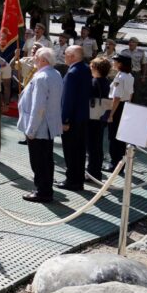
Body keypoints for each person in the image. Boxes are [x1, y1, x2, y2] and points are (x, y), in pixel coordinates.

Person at [17, 47, 63, 203]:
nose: (33, 58)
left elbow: (39, 106)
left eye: (36, 56)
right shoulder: (55, 74)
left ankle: (42, 191)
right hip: (48, 126)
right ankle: (45, 189)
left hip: (40, 127)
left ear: (44, 60)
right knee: (46, 160)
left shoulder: (41, 77)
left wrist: (31, 130)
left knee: (38, 161)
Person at [58, 45, 91, 191]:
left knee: (71, 151)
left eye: (66, 54)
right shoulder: (85, 68)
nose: (64, 56)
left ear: (72, 56)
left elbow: (68, 100)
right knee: (79, 151)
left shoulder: (72, 73)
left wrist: (64, 120)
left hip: (72, 119)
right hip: (82, 117)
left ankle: (72, 180)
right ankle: (78, 179)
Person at [105, 54, 134, 172]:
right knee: (121, 136)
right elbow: (131, 93)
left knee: (114, 137)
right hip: (125, 106)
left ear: (121, 64)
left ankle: (114, 164)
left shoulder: (120, 77)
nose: (113, 63)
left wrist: (111, 114)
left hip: (117, 107)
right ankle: (120, 163)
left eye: (115, 61)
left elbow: (116, 98)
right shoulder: (129, 76)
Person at [87, 57, 112, 181]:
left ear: (96, 68)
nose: (90, 68)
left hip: (93, 117)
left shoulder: (94, 82)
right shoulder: (106, 81)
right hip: (101, 116)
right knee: (97, 145)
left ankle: (93, 172)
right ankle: (95, 171)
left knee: (92, 146)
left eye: (91, 66)